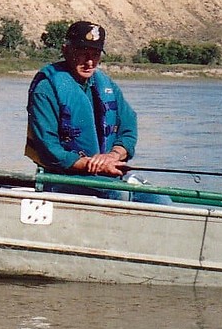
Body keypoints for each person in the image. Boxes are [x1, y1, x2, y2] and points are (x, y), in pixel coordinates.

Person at [25, 21, 169, 203]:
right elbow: (50, 150)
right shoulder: (45, 89)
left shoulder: (107, 86)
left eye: (95, 54)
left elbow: (128, 129)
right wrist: (91, 165)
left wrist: (113, 156)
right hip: (60, 176)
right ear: (66, 50)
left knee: (160, 199)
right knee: (118, 194)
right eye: (82, 54)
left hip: (105, 174)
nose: (90, 62)